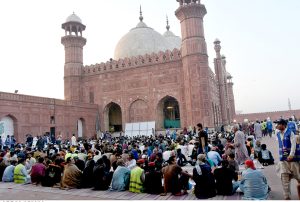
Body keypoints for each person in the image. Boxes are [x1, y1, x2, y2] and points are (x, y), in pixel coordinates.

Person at [275, 119, 300, 200]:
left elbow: (293, 144)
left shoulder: (290, 132)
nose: (277, 126)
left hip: (292, 160)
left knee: (298, 176)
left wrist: (291, 155)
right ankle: (287, 197)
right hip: (283, 160)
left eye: (278, 124)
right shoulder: (278, 134)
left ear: (283, 125)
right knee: (284, 179)